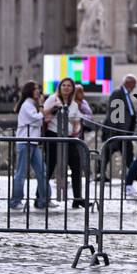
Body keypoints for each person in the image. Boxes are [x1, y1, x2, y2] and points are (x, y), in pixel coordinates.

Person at [42, 76, 87, 208]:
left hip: (68, 137)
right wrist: (53, 109)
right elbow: (43, 115)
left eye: (69, 86)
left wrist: (76, 129)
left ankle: (77, 198)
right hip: (53, 136)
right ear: (60, 87)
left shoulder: (73, 104)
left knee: (76, 166)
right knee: (49, 167)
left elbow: (77, 121)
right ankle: (41, 197)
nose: (66, 88)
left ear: (73, 89)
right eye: (64, 85)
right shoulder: (52, 99)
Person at [9, 81, 48, 210]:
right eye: (36, 89)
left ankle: (44, 199)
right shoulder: (27, 105)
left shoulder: (30, 104)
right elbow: (37, 118)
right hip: (25, 142)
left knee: (42, 171)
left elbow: (38, 120)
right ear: (30, 91)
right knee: (21, 173)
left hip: (32, 142)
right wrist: (42, 107)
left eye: (38, 89)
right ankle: (15, 201)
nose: (38, 91)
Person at [107, 74, 137, 181]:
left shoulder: (126, 94)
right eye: (133, 84)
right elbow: (114, 115)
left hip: (125, 132)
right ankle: (99, 173)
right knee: (108, 152)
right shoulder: (118, 93)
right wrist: (115, 131)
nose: (134, 87)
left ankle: (134, 173)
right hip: (117, 132)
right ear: (128, 83)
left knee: (129, 153)